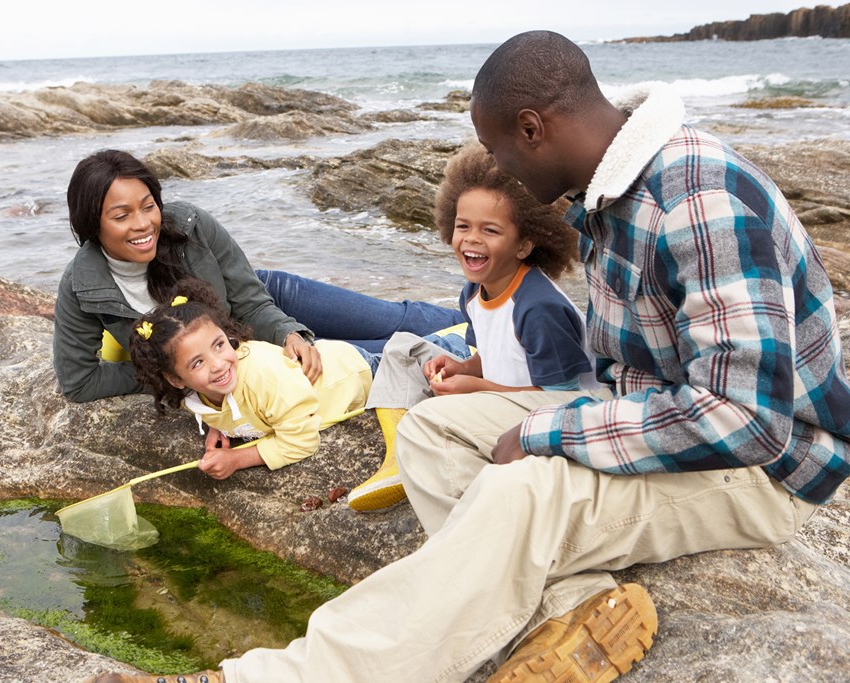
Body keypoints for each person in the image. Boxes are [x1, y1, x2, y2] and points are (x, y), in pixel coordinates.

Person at [85, 30, 850, 683]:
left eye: (494, 148)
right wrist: (519, 405)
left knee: (523, 487)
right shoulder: (612, 196)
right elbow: (627, 376)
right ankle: (570, 606)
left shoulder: (697, 201)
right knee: (429, 429)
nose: (499, 171)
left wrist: (554, 436)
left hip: (759, 471)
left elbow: (745, 420)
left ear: (531, 128)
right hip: (660, 420)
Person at [53, 149, 463, 403]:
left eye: (148, 206)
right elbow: (80, 382)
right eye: (121, 215)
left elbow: (249, 298)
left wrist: (288, 333)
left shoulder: (191, 224)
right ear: (93, 224)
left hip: (264, 299)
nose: (143, 224)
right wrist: (170, 372)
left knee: (395, 319)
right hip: (237, 348)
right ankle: (471, 351)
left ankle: (493, 314)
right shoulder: (82, 286)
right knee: (373, 353)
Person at [347, 141, 601, 512]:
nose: (471, 239)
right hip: (505, 397)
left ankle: (428, 454)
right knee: (402, 348)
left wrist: (477, 389)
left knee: (433, 417)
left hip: (550, 415)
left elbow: (559, 399)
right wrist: (464, 368)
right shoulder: (473, 292)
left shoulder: (539, 308)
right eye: (463, 226)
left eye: (491, 231)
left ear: (525, 244)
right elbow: (493, 356)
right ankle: (395, 460)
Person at [128, 277, 373, 478]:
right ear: (176, 379)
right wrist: (219, 424)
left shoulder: (264, 377)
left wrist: (237, 459)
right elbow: (226, 407)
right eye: (198, 362)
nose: (218, 364)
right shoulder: (193, 394)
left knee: (406, 357)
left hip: (357, 373)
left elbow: (303, 441)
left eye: (219, 345)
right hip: (333, 362)